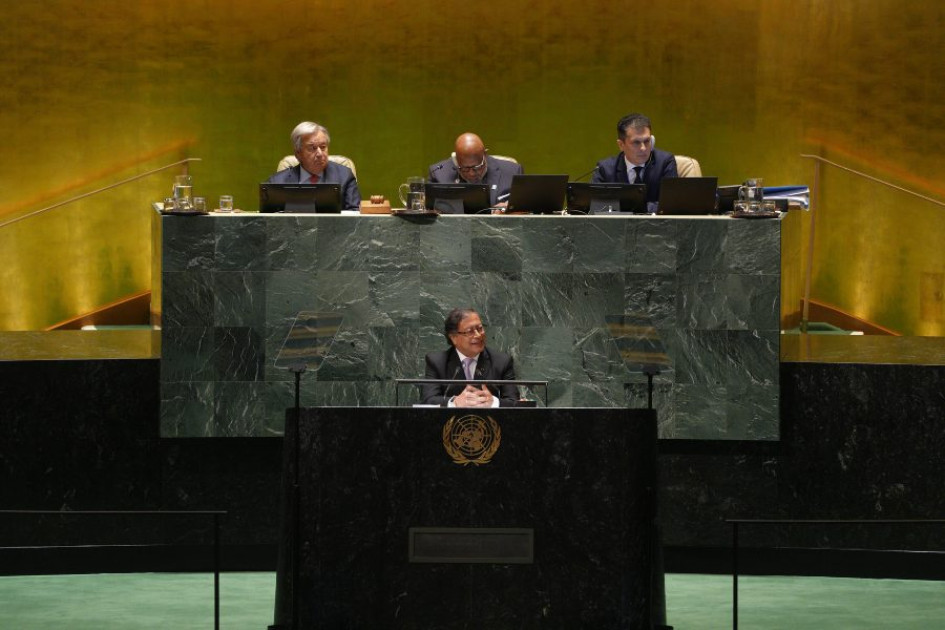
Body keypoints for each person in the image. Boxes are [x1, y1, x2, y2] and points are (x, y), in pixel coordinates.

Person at [420, 308, 520, 408]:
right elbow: (428, 400)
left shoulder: (502, 362)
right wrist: (454, 402)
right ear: (453, 337)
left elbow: (514, 402)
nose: (478, 335)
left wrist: (493, 402)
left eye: (480, 328)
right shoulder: (437, 362)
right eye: (470, 331)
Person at [266, 121, 361, 210]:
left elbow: (355, 214)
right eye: (312, 148)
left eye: (323, 147)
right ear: (298, 153)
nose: (319, 153)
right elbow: (270, 221)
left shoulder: (344, 176)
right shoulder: (277, 182)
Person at [592, 113, 678, 204]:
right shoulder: (605, 169)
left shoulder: (665, 163)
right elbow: (597, 206)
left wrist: (629, 209)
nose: (643, 148)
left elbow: (671, 203)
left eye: (647, 141)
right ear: (621, 145)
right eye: (636, 143)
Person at [428, 133, 523, 207]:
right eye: (465, 168)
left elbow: (525, 209)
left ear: (485, 155)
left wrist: (510, 208)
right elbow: (428, 209)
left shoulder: (512, 171)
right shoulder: (438, 174)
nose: (471, 173)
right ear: (456, 160)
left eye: (477, 167)